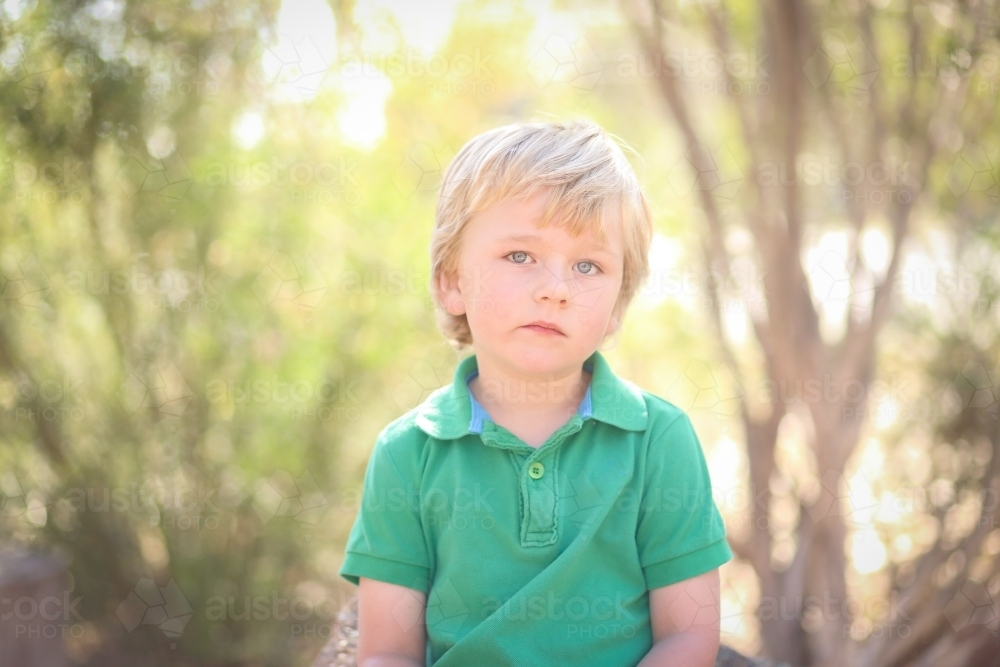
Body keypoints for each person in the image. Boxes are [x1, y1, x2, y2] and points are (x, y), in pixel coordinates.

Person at [338, 119, 733, 667]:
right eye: (520, 256)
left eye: (589, 265)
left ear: (617, 306)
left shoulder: (658, 440)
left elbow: (687, 639)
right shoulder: (408, 453)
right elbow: (387, 653)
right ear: (451, 280)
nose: (556, 289)